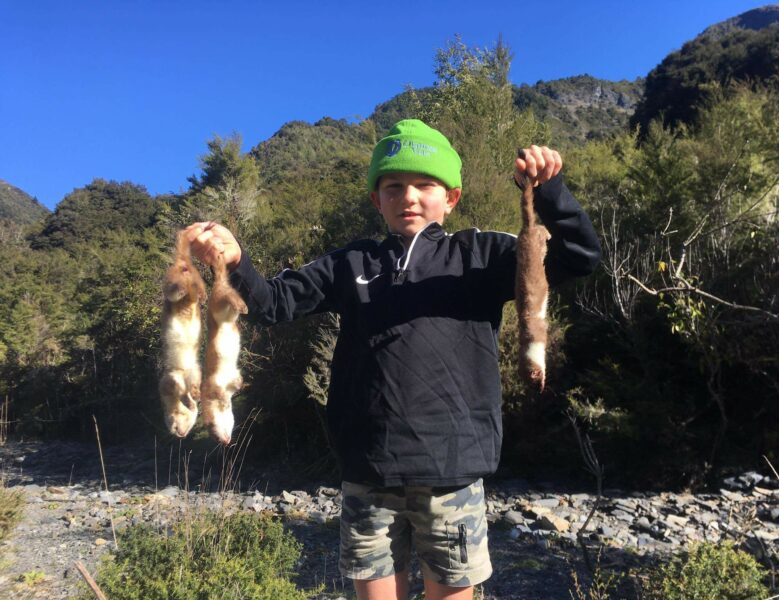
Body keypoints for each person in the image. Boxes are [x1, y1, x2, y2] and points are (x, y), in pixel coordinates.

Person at [186, 119, 601, 600]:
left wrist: (549, 193)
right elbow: (273, 304)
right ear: (376, 200)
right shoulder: (350, 264)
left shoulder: (483, 256)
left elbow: (579, 257)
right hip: (369, 471)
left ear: (452, 198)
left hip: (453, 472)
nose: (409, 196)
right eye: (394, 185)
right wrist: (235, 262)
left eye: (426, 184)